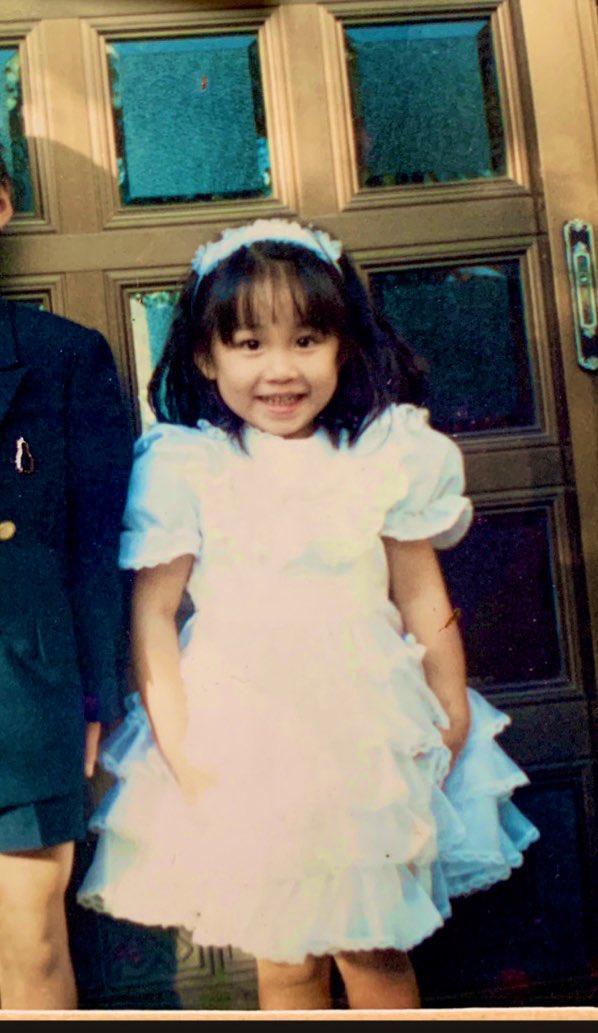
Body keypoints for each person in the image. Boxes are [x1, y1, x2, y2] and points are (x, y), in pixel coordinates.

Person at [77, 218, 539, 1011]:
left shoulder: (380, 453)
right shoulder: (190, 466)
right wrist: (182, 749)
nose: (280, 369)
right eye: (249, 344)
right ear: (206, 356)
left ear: (343, 346)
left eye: (306, 340)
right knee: (285, 956)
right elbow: (153, 617)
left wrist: (451, 706)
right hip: (245, 740)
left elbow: (421, 595)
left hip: (366, 737)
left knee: (375, 947)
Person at [0, 154, 131, 1009]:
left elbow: (95, 549)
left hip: (19, 687)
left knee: (30, 939)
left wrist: (91, 695)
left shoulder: (62, 359)